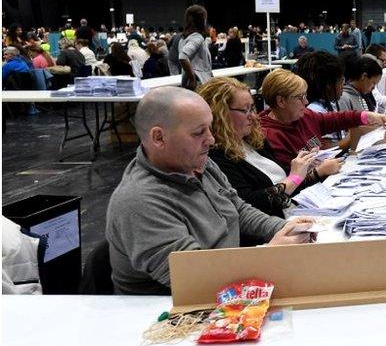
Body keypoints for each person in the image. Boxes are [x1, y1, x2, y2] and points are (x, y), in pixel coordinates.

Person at [105, 87, 316, 295]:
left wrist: (285, 227)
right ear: (159, 138)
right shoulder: (140, 200)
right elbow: (194, 277)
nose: (212, 139)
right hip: (170, 311)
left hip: (222, 286)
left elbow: (238, 209)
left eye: (209, 128)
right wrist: (267, 255)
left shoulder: (198, 164)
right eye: (198, 133)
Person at [198, 78, 342, 219]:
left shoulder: (255, 141)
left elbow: (287, 185)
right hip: (276, 227)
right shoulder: (215, 157)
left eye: (252, 108)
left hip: (293, 214)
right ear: (220, 114)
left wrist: (306, 170)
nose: (253, 116)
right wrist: (296, 176)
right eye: (244, 110)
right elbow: (249, 205)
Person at [258, 69, 386, 170]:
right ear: (281, 101)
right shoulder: (270, 137)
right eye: (300, 97)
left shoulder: (305, 115)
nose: (306, 101)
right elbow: (288, 180)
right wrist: (319, 171)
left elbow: (336, 119)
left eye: (305, 96)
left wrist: (367, 116)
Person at [292, 51, 350, 148]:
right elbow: (321, 149)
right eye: (341, 81)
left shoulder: (328, 104)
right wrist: (352, 138)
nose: (342, 86)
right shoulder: (314, 110)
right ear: (328, 85)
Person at [178, 4, 213, 89]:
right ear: (202, 19)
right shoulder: (197, 37)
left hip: (189, 82)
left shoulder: (184, 38)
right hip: (199, 82)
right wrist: (192, 78)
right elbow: (183, 57)